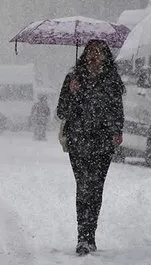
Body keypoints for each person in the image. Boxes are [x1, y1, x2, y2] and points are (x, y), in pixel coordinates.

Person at [56, 39, 125, 256]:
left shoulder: (112, 81)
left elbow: (117, 110)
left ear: (106, 56)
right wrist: (73, 92)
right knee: (83, 186)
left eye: (99, 52)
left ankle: (90, 234)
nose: (95, 56)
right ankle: (82, 237)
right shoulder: (73, 79)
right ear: (85, 55)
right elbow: (61, 111)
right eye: (91, 52)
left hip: (102, 143)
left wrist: (116, 131)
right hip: (78, 141)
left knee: (96, 188)